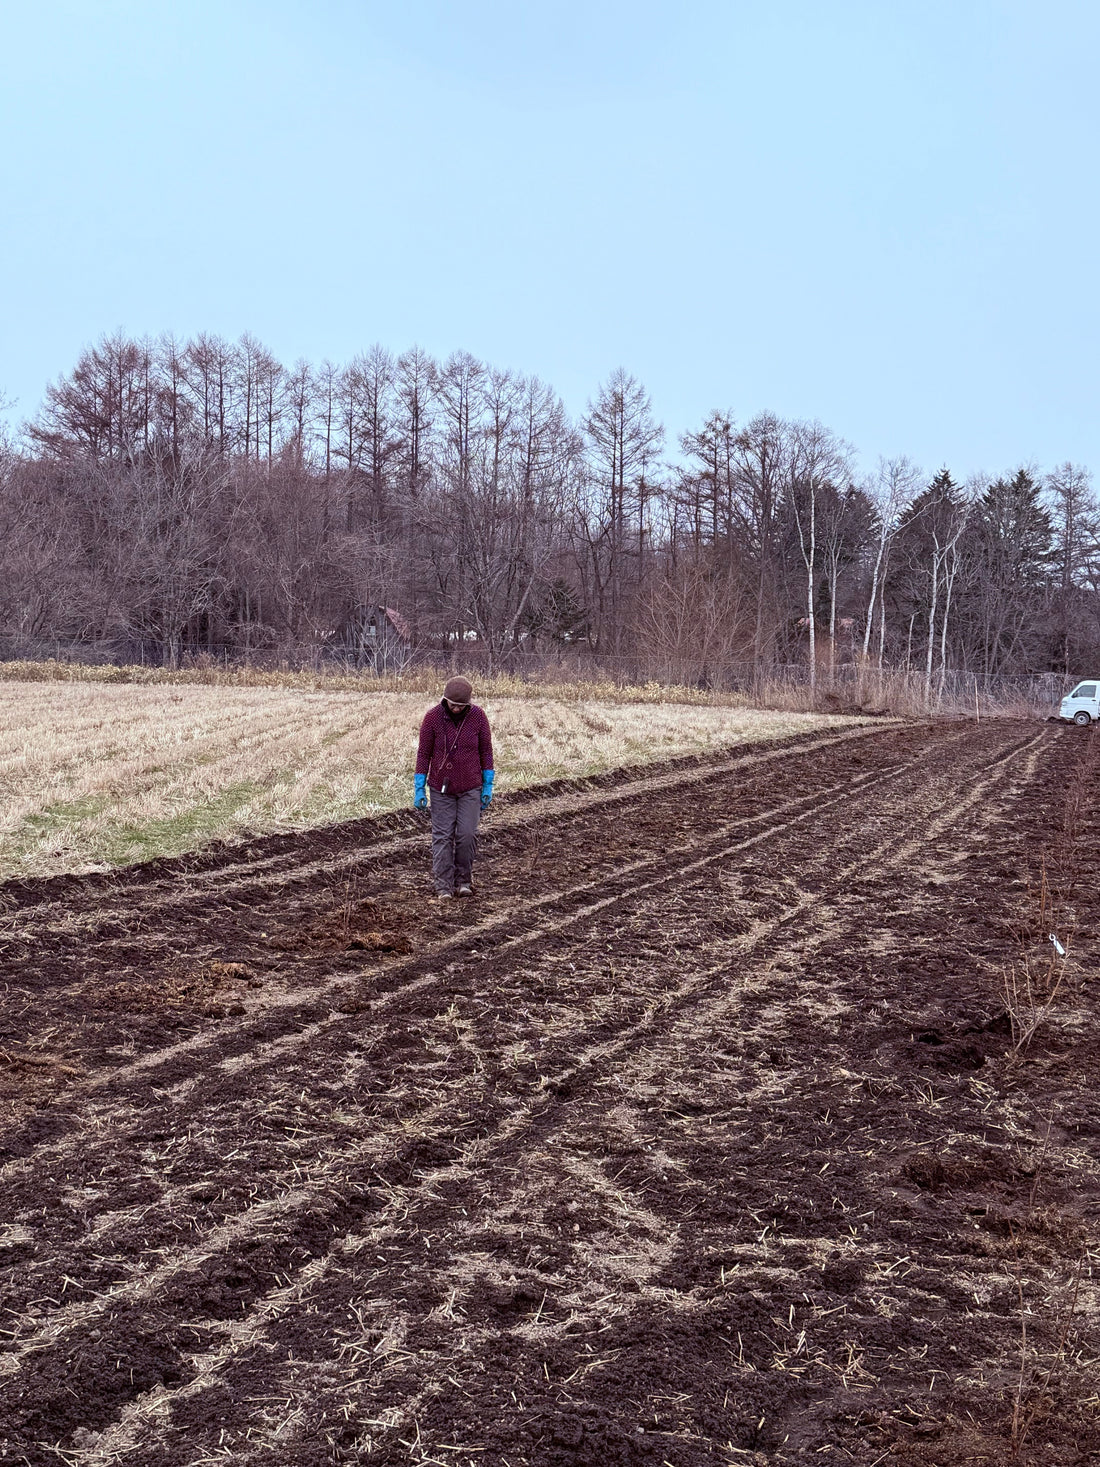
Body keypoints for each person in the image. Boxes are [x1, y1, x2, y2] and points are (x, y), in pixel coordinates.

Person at [413, 676, 495, 899]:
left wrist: (488, 784)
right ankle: (443, 886)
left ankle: (463, 882)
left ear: (468, 704)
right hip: (441, 788)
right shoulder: (432, 718)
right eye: (453, 704)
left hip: (471, 786)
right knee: (442, 836)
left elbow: (486, 751)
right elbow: (424, 753)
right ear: (445, 700)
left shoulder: (478, 717)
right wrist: (419, 786)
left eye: (461, 705)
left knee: (467, 835)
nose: (456, 709)